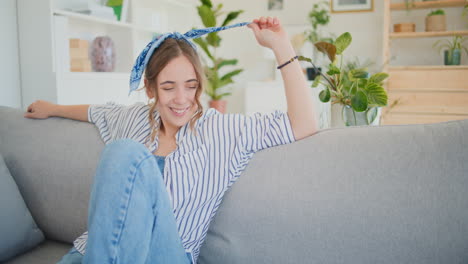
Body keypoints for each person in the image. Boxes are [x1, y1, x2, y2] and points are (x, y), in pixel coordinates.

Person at [24, 16, 318, 264]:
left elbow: (302, 123)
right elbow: (97, 112)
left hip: (165, 255)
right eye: (168, 88)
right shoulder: (133, 119)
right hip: (92, 253)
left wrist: (281, 46)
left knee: (126, 152)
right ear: (150, 89)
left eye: (191, 87)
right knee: (122, 150)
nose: (182, 100)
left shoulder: (222, 131)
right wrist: (52, 109)